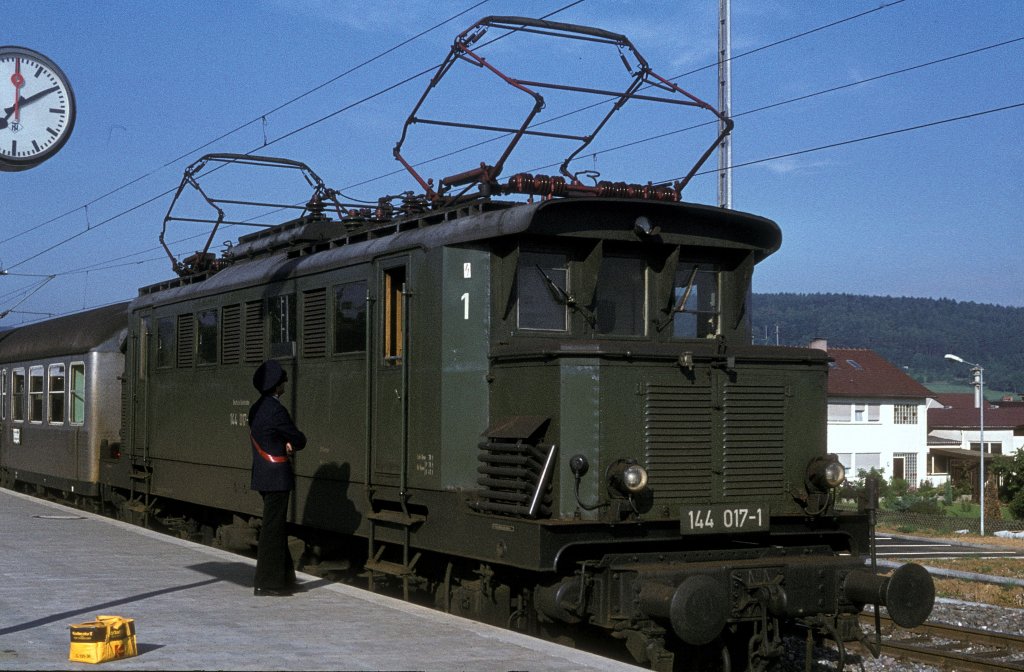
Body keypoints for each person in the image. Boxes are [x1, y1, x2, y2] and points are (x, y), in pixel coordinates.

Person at [249, 359, 307, 596]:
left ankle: (285, 578)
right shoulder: (276, 410)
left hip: (263, 474)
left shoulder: (256, 409)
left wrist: (282, 441)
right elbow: (299, 439)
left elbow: (268, 437)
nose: (285, 382)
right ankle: (267, 583)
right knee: (273, 531)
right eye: (283, 379)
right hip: (277, 476)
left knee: (275, 527)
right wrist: (290, 442)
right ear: (276, 386)